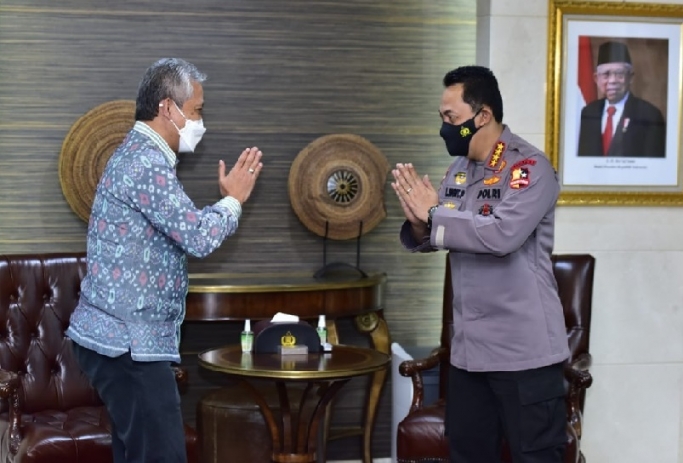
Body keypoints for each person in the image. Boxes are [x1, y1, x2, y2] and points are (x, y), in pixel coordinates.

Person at [66, 58, 263, 463]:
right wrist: (234, 200)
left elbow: (181, 226)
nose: (199, 122)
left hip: (119, 341)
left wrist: (224, 203)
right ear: (167, 109)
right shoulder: (146, 163)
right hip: (128, 345)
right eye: (196, 111)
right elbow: (198, 236)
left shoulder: (139, 156)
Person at [391, 65, 569, 463]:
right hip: (470, 353)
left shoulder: (529, 169)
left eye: (451, 118)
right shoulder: (458, 170)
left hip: (524, 353)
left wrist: (435, 215)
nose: (444, 128)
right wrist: (421, 223)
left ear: (482, 115)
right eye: (441, 118)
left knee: (535, 457)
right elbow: (442, 234)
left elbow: (501, 235)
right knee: (468, 454)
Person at [577, 40, 666, 157]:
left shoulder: (650, 116)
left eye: (619, 74)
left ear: (630, 77)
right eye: (606, 74)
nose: (612, 81)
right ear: (596, 78)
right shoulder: (588, 112)